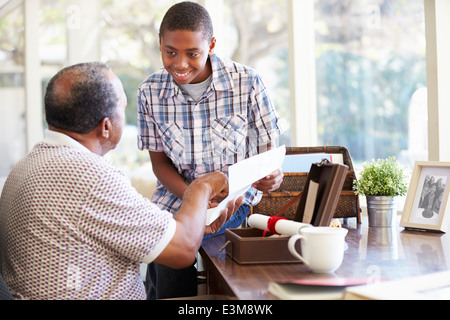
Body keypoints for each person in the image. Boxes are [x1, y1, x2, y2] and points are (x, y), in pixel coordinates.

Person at [0, 62, 242, 300]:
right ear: (106, 126)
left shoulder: (25, 165)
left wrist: (197, 225)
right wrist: (201, 186)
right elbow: (183, 251)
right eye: (122, 107)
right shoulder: (89, 177)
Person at [137, 1, 284, 299]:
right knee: (166, 250)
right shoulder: (149, 92)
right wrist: (194, 198)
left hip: (234, 200)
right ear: (160, 45)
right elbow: (159, 165)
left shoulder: (247, 82)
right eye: (170, 52)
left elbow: (269, 157)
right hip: (175, 197)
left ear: (212, 45)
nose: (180, 64)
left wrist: (272, 177)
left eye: (192, 53)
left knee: (175, 248)